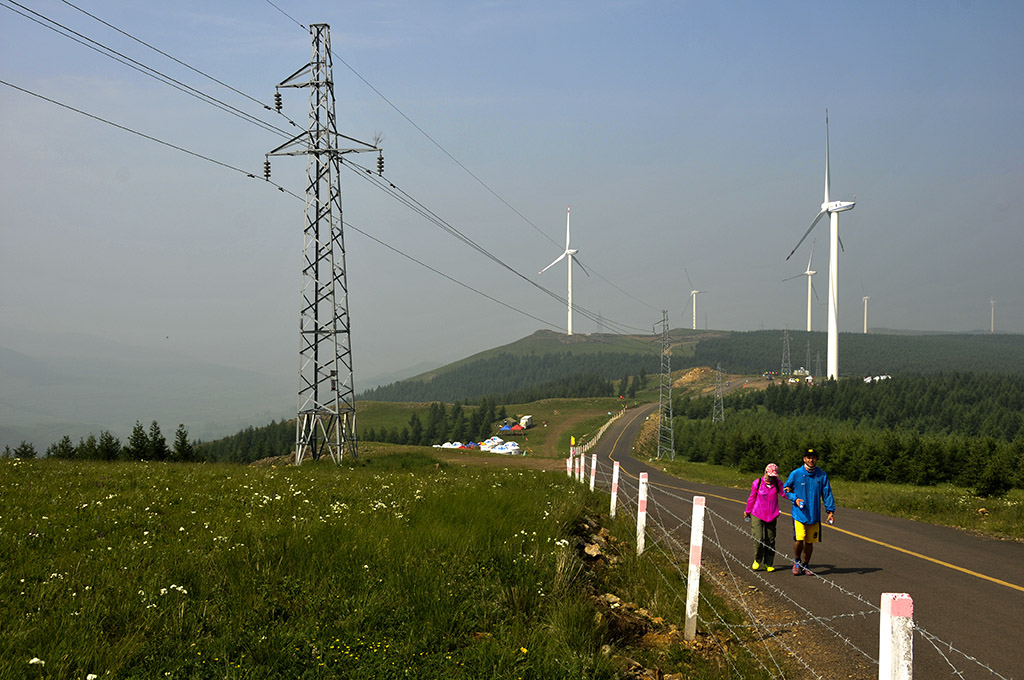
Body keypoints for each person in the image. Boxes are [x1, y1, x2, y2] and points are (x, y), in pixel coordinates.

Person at [783, 448, 836, 575]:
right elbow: (786, 489)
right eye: (808, 457)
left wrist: (830, 511)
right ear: (804, 459)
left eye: (813, 457)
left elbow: (827, 493)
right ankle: (796, 561)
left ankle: (805, 565)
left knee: (810, 542)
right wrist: (795, 499)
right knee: (799, 538)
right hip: (799, 514)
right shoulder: (796, 474)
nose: (811, 460)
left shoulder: (822, 475)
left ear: (816, 459)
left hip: (814, 515)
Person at [743, 463, 785, 571]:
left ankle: (768, 563)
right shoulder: (757, 483)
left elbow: (784, 493)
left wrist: (795, 495)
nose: (771, 478)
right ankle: (757, 560)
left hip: (772, 515)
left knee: (770, 540)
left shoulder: (777, 483)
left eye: (773, 476)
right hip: (757, 513)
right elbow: (752, 498)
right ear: (765, 472)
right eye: (770, 475)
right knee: (758, 538)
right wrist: (747, 511)